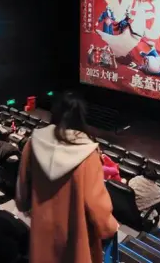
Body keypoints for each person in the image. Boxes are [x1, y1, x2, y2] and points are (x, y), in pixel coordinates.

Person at [15, 91, 118, 263]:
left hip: (42, 235)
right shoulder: (88, 154)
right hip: (75, 242)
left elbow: (22, 190)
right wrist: (110, 226)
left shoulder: (33, 142)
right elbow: (96, 205)